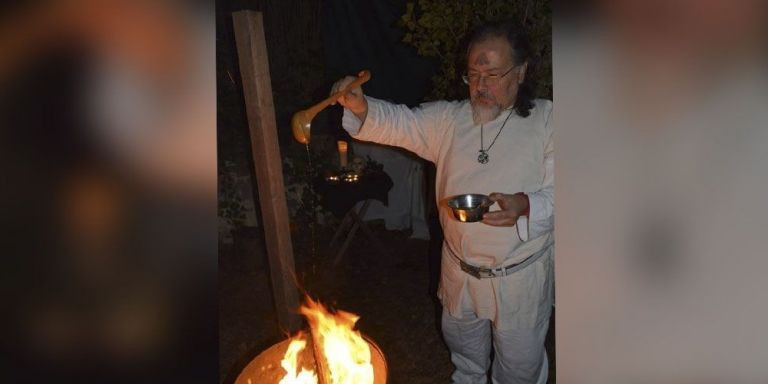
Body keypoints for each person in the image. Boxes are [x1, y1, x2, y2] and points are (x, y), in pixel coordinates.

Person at [331, 20, 554, 384]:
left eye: (493, 74)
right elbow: (400, 122)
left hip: (519, 280)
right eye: (473, 74)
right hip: (459, 274)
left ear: (522, 71)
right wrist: (359, 106)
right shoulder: (450, 119)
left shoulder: (547, 120)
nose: (480, 86)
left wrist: (526, 205)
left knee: (519, 371)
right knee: (466, 361)